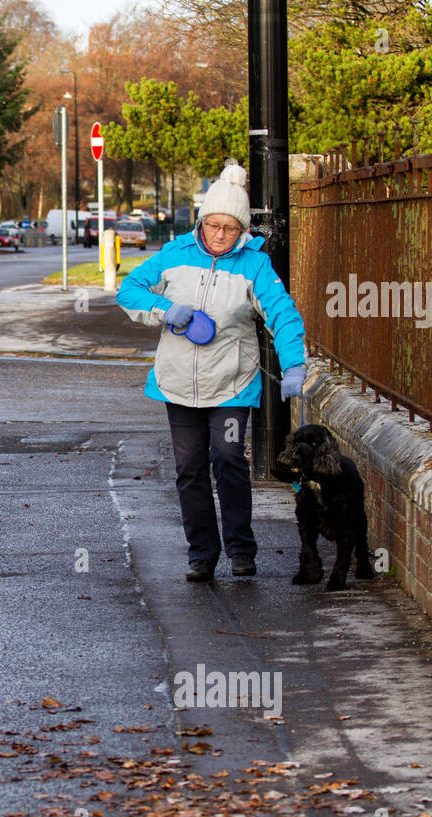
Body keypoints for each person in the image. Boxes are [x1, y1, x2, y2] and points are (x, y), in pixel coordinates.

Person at [116, 164, 306, 582]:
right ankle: (202, 552)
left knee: (229, 458)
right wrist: (168, 310)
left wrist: (295, 363)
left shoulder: (254, 266)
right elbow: (128, 289)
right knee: (190, 469)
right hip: (178, 383)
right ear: (202, 222)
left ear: (242, 230)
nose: (220, 234)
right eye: (214, 225)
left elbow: (283, 314)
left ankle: (241, 550)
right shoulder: (173, 256)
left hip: (232, 385)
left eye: (231, 228)